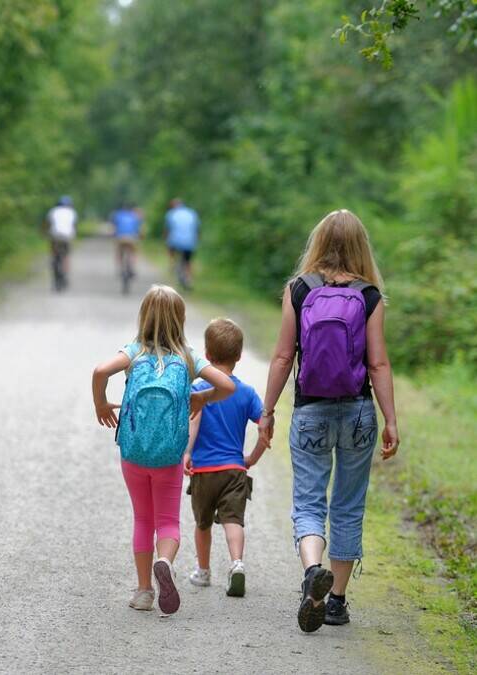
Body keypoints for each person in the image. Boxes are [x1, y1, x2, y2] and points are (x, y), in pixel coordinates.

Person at [258, 209, 399, 632]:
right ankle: (335, 600)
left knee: (309, 501)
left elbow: (284, 355)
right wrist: (390, 420)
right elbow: (378, 364)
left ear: (317, 242)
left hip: (311, 410)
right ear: (362, 245)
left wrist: (267, 411)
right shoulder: (369, 295)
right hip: (357, 411)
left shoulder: (299, 290)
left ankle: (310, 573)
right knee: (348, 505)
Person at [92, 285, 235, 615]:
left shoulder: (134, 351)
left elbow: (100, 371)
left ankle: (144, 591)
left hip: (134, 451)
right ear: (181, 320)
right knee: (168, 520)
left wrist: (101, 403)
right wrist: (202, 397)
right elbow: (227, 385)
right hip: (170, 454)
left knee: (143, 519)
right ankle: (164, 561)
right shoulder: (187, 357)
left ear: (143, 317)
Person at [183, 318, 269, 597]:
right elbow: (265, 423)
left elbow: (192, 423)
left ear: (206, 355)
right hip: (234, 469)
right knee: (234, 520)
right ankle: (237, 563)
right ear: (239, 357)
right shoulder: (246, 393)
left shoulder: (197, 391)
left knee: (202, 523)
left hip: (204, 471)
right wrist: (253, 456)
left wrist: (186, 452)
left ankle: (203, 571)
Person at [164, 199, 200, 290]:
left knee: (171, 250)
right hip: (190, 241)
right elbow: (197, 228)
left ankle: (172, 264)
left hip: (175, 241)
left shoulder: (171, 214)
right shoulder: (192, 213)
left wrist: (165, 239)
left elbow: (167, 229)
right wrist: (196, 239)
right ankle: (189, 280)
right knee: (188, 261)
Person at [44, 196, 78, 290]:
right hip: (67, 236)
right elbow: (74, 226)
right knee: (66, 256)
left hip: (55, 236)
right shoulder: (72, 212)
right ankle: (65, 275)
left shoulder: (53, 211)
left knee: (54, 254)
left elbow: (48, 224)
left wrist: (45, 233)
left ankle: (54, 263)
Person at [110, 202, 143, 277]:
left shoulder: (118, 215)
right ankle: (132, 268)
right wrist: (140, 236)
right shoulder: (134, 216)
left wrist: (113, 234)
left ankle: (121, 268)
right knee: (133, 252)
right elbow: (138, 229)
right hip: (131, 238)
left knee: (119, 251)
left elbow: (114, 227)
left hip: (120, 237)